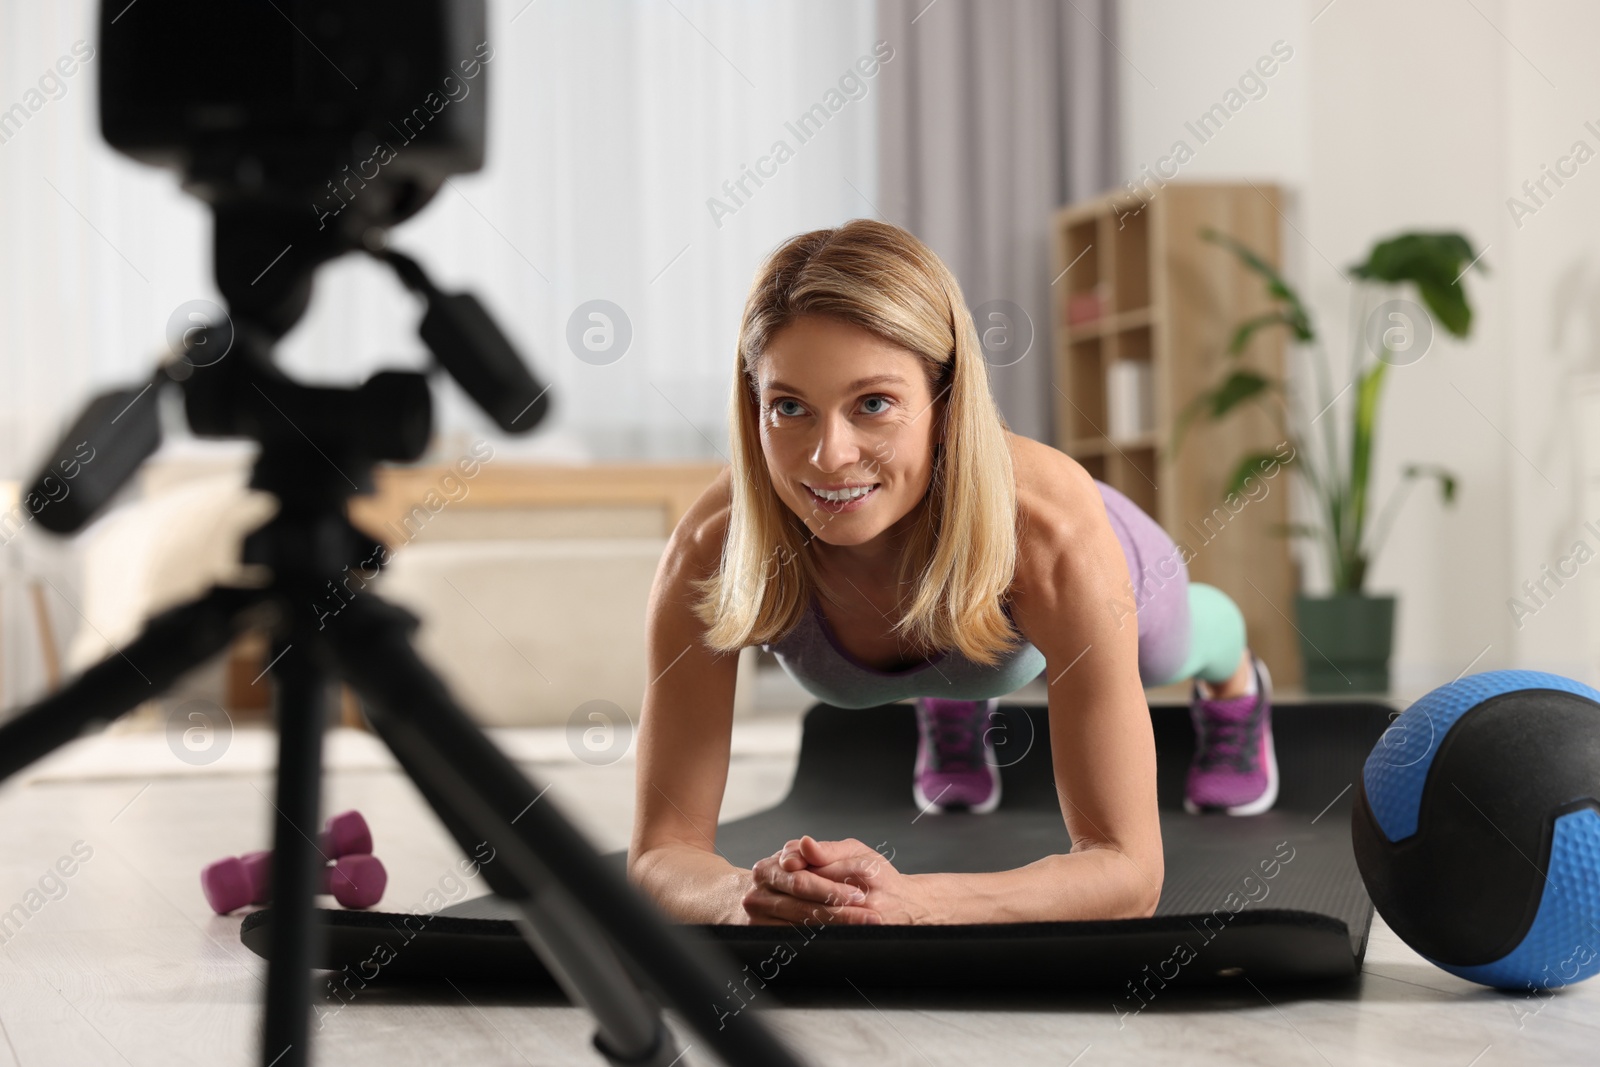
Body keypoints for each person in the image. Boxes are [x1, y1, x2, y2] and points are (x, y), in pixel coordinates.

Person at [627, 219, 1274, 927]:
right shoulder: (713, 548)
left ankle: (1238, 681)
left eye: (873, 403)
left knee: (1171, 647)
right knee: (962, 646)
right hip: (959, 617)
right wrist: (747, 897)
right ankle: (956, 697)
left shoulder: (1052, 532)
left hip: (1074, 551)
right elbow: (661, 854)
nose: (827, 456)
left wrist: (911, 901)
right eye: (790, 407)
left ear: (946, 399)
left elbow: (1127, 870)